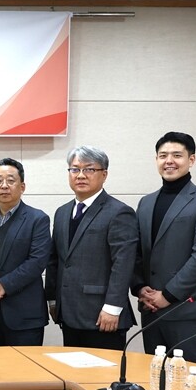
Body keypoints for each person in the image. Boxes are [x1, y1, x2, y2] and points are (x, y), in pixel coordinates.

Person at [131, 132, 196, 366]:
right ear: (156, 160)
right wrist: (140, 288)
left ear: (191, 160)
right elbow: (137, 252)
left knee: (189, 378)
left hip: (186, 311)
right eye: (163, 155)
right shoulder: (146, 202)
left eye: (177, 155)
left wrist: (168, 295)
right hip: (151, 310)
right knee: (156, 378)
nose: (169, 161)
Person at [46, 146, 137, 350]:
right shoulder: (62, 212)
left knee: (103, 370)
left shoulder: (119, 212)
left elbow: (123, 264)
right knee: (72, 369)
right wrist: (53, 300)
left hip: (102, 314)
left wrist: (113, 308)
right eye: (75, 169)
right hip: (68, 312)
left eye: (89, 169)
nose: (80, 175)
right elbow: (55, 260)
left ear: (104, 174)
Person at [0, 158, 51, 347]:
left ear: (22, 186)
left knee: (25, 366)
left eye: (10, 180)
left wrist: (4, 286)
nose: (4, 186)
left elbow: (37, 262)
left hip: (25, 315)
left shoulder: (37, 219)